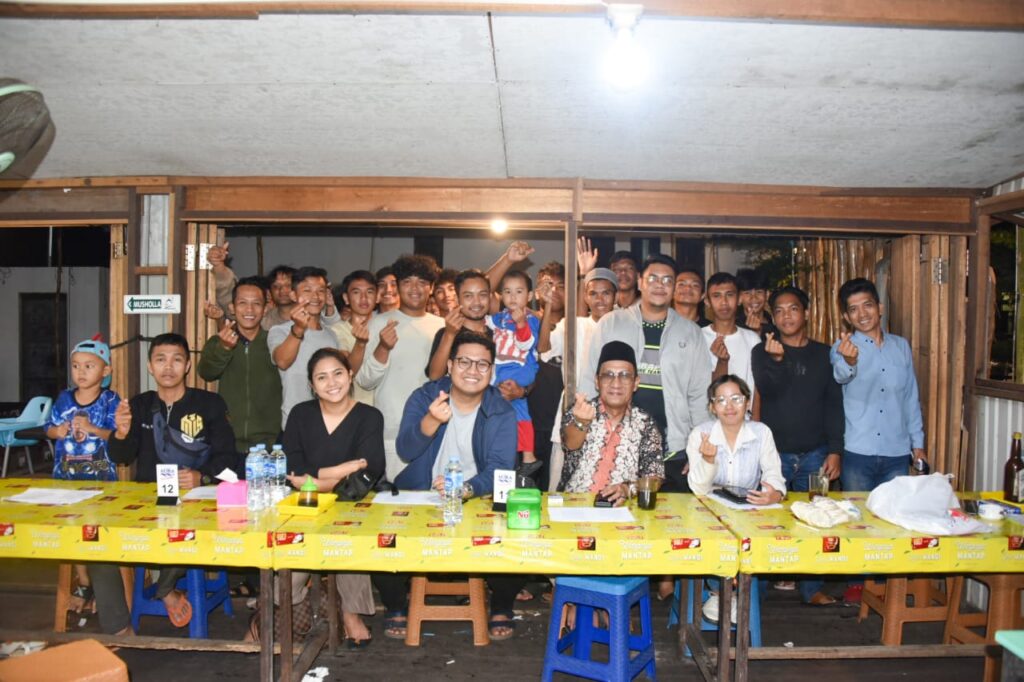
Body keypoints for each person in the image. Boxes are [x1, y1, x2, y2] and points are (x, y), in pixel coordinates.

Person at [378, 330, 521, 641]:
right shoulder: (425, 397)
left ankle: (501, 604)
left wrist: (465, 489)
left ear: (492, 370)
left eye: (482, 364)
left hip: (477, 496)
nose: (473, 371)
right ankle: (395, 604)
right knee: (381, 534)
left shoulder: (500, 409)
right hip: (422, 493)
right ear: (450, 365)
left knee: (518, 530)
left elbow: (500, 469)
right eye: (464, 362)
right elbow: (405, 450)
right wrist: (431, 421)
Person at [93, 333, 240, 636]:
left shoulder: (209, 404)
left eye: (176, 359)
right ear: (150, 366)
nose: (168, 367)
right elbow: (122, 456)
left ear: (187, 366)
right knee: (96, 539)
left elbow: (229, 458)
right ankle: (119, 628)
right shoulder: (140, 405)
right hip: (149, 500)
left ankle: (164, 588)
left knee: (191, 527)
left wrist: (202, 476)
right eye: (160, 360)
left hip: (196, 499)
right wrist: (120, 433)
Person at [273, 348, 386, 648]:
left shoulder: (369, 416)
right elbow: (292, 468)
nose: (331, 382)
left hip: (352, 500)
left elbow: (370, 469)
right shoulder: (300, 414)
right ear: (312, 385)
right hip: (305, 504)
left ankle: (351, 612)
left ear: (350, 375)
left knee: (348, 534)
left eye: (337, 373)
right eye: (321, 377)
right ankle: (289, 608)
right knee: (291, 561)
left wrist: (316, 481)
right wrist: (341, 470)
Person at [581, 254, 711, 495]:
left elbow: (699, 395)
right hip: (616, 445)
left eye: (667, 280)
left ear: (674, 288)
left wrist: (697, 450)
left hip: (674, 449)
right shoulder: (611, 323)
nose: (660, 285)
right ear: (640, 282)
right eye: (653, 278)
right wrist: (588, 436)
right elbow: (590, 380)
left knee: (672, 515)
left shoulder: (691, 332)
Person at [830, 277, 926, 603]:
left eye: (867, 305)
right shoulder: (842, 348)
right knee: (858, 520)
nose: (862, 314)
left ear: (879, 307)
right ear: (846, 316)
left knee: (891, 520)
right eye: (854, 309)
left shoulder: (901, 346)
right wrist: (850, 361)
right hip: (858, 450)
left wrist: (918, 443)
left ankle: (887, 585)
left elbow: (911, 397)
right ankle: (857, 582)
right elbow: (841, 374)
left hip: (897, 451)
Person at [751, 286, 843, 605]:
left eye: (792, 309)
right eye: (778, 310)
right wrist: (777, 360)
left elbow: (834, 404)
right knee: (766, 521)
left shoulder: (824, 354)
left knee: (816, 520)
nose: (786, 316)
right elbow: (767, 390)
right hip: (773, 454)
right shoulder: (762, 350)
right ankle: (757, 589)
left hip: (815, 452)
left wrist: (835, 450)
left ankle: (811, 588)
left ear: (806, 313)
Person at [686, 374, 787, 623]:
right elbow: (698, 488)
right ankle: (720, 592)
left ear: (747, 402)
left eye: (736, 399)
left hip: (748, 509)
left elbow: (774, 473)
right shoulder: (701, 434)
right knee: (714, 538)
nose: (729, 406)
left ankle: (733, 593)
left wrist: (774, 493)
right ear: (712, 407)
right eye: (721, 400)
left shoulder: (761, 432)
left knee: (754, 537)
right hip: (709, 511)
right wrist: (708, 460)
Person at [46, 337, 121, 619]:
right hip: (66, 477)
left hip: (101, 478)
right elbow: (48, 427)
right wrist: (56, 432)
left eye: (89, 366)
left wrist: (92, 428)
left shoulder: (110, 400)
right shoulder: (64, 399)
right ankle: (84, 580)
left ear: (105, 370)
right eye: (76, 365)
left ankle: (103, 587)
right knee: (70, 530)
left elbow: (118, 436)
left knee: (98, 530)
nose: (81, 371)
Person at [356, 254, 445, 480]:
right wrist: (383, 347)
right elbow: (365, 381)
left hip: (438, 430)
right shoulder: (378, 323)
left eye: (422, 282)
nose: (415, 289)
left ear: (431, 288)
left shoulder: (443, 327)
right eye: (407, 282)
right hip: (391, 432)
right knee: (397, 497)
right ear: (397, 286)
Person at [559, 341, 664, 499]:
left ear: (636, 383)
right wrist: (581, 422)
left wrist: (628, 489)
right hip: (576, 503)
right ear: (597, 382)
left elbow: (655, 477)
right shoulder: (581, 411)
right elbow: (570, 444)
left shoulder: (645, 423)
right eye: (608, 375)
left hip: (623, 508)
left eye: (625, 375)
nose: (616, 383)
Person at [545, 267, 618, 489]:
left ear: (615, 296)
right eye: (593, 293)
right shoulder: (572, 324)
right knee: (563, 482)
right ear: (585, 297)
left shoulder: (625, 325)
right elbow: (544, 350)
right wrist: (546, 306)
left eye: (606, 293)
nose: (600, 299)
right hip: (574, 409)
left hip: (613, 414)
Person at [198, 275, 282, 454]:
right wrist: (224, 348)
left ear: (265, 309)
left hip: (269, 443)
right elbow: (206, 373)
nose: (249, 309)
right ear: (232, 308)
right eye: (242, 303)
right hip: (227, 442)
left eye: (256, 303)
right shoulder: (218, 341)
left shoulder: (275, 342)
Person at [268, 266, 339, 429]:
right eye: (307, 290)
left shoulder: (331, 335)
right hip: (296, 424)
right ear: (293, 295)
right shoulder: (279, 331)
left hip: (330, 423)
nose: (315, 296)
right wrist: (298, 329)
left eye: (320, 291)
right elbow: (282, 361)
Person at [487, 270, 541, 463]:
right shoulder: (500, 317)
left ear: (529, 296)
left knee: (501, 401)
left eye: (519, 292)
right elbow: (484, 320)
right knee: (518, 412)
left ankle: (525, 456)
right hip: (503, 367)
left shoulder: (531, 319)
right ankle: (527, 456)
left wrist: (520, 324)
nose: (513, 297)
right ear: (501, 295)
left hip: (520, 369)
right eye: (507, 292)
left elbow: (526, 344)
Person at [702, 272, 762, 402]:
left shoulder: (753, 339)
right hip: (708, 413)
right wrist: (722, 362)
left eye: (729, 295)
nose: (724, 302)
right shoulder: (698, 338)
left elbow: (758, 386)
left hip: (746, 413)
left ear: (739, 299)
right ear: (707, 301)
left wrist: (755, 415)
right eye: (717, 296)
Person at [426, 268, 491, 381]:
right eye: (468, 296)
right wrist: (449, 335)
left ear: (490, 297)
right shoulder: (446, 333)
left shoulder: (501, 333)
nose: (476, 302)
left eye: (482, 295)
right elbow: (434, 377)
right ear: (457, 298)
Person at [327, 269, 377, 403]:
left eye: (370, 292)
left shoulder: (385, 327)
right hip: (353, 406)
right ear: (346, 298)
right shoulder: (336, 331)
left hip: (384, 406)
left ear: (377, 297)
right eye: (356, 292)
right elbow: (348, 370)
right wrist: (360, 343)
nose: (364, 298)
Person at [736, 267, 777, 339]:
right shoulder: (735, 327)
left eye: (759, 292)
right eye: (747, 293)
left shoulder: (776, 323)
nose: (754, 298)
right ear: (739, 298)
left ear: (767, 295)